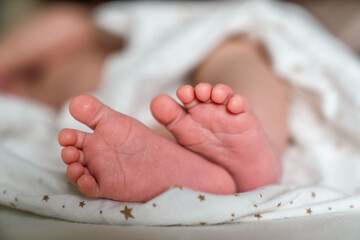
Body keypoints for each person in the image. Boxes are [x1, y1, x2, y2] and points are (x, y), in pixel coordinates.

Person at [0, 3, 289, 203]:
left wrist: (7, 56)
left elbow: (68, 23)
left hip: (187, 58)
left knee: (235, 60)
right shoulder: (27, 98)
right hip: (133, 120)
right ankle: (188, 165)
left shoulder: (73, 39)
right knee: (159, 137)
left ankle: (263, 153)